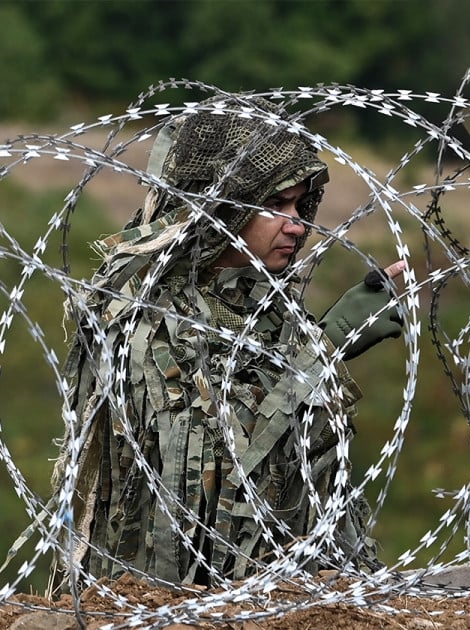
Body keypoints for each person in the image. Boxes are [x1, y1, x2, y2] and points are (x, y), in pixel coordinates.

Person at [49, 96, 406, 585]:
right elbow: (215, 459)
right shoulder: (147, 317)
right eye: (274, 205)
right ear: (217, 207)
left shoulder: (265, 308)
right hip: (171, 591)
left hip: (271, 590)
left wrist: (317, 342)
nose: (296, 224)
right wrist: (329, 342)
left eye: (300, 205)